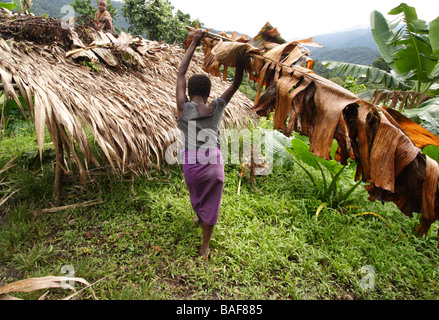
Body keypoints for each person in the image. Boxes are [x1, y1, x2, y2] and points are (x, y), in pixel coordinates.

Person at [176, 29, 247, 260]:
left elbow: (180, 73)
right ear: (207, 93)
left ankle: (199, 216)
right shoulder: (217, 106)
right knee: (212, 202)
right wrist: (241, 60)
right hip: (213, 165)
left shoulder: (183, 108)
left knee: (196, 193)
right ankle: (205, 247)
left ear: (189, 92)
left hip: (193, 165)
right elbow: (236, 83)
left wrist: (194, 43)